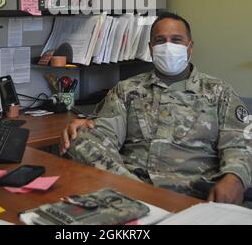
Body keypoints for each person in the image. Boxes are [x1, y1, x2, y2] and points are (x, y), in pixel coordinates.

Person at [60, 12, 251, 205]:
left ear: (189, 48)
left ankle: (141, 198)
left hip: (196, 193)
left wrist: (235, 178)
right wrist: (90, 128)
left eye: (176, 40)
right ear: (151, 49)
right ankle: (140, 195)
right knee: (80, 137)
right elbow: (105, 133)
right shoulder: (127, 89)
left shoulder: (218, 92)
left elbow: (240, 143)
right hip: (132, 183)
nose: (168, 47)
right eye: (160, 41)